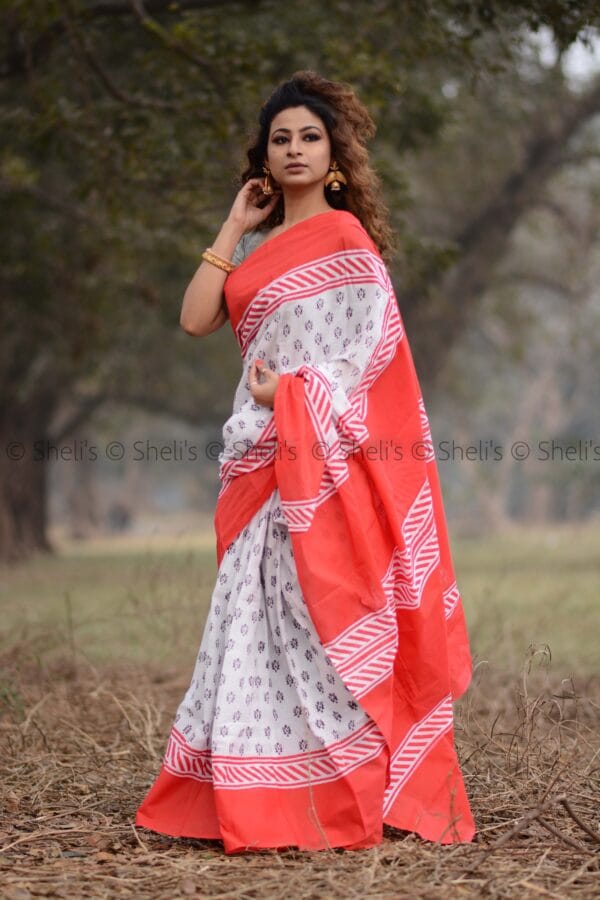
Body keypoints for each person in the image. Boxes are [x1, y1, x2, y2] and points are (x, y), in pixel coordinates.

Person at [135, 71, 476, 854]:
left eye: (309, 137)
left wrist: (290, 389)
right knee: (252, 624)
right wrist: (231, 224)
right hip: (257, 459)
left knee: (319, 622)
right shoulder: (254, 245)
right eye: (280, 138)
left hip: (322, 464)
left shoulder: (349, 244)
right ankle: (261, 789)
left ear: (334, 158)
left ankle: (346, 788)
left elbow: (363, 363)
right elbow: (194, 319)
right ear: (265, 157)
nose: (294, 148)